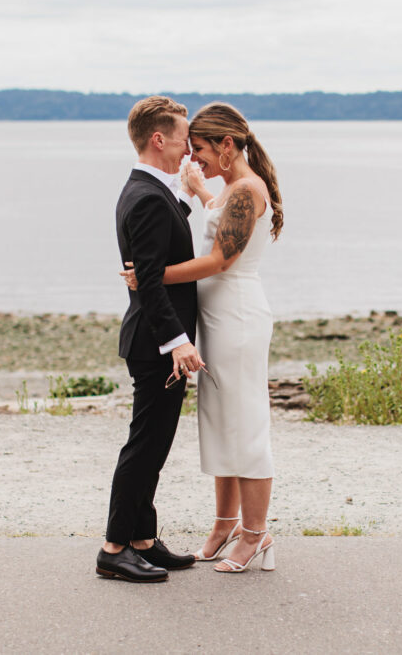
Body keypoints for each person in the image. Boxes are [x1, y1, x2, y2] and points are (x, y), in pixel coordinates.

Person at [122, 102, 284, 573]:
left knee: (244, 420)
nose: (195, 159)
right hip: (217, 318)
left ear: (227, 145)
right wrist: (197, 191)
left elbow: (220, 260)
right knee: (219, 421)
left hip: (236, 317)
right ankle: (223, 524)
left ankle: (255, 534)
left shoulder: (244, 191)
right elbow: (222, 219)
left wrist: (152, 277)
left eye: (201, 150)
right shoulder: (232, 190)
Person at [96, 95, 206, 583]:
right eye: (184, 138)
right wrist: (178, 342)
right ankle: (114, 547)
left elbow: (157, 252)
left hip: (155, 339)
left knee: (156, 443)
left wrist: (184, 198)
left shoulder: (151, 192)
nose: (188, 148)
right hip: (156, 343)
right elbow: (152, 281)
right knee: (144, 445)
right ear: (159, 138)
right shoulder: (144, 197)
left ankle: (143, 539)